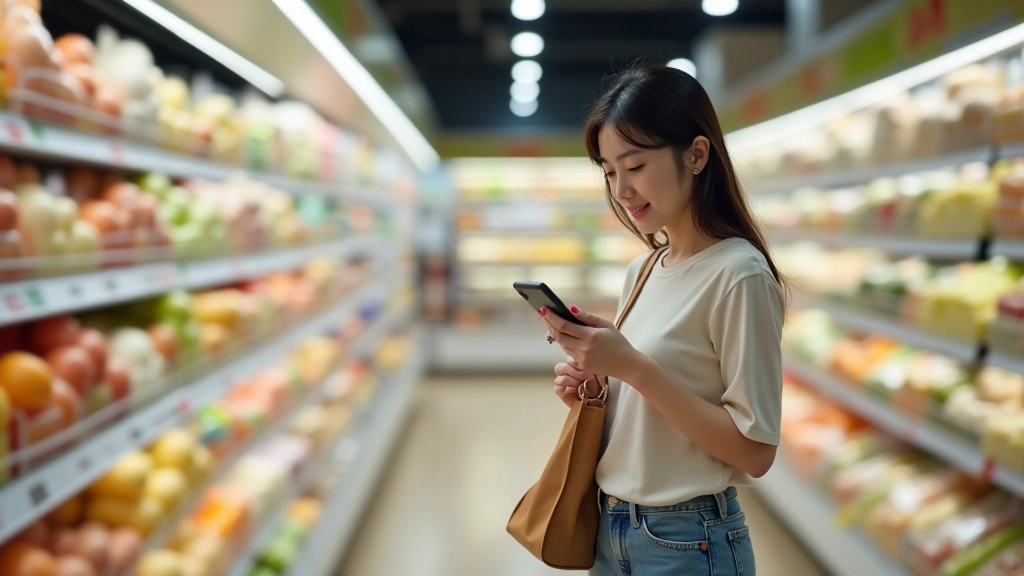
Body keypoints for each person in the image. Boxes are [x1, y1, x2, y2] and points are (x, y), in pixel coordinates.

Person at [539, 64, 786, 576]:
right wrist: (600, 385)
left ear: (696, 155)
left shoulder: (739, 274)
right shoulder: (646, 266)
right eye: (609, 171)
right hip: (614, 529)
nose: (622, 190)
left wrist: (633, 368)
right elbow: (654, 405)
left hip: (689, 540)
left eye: (635, 166)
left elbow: (755, 451)